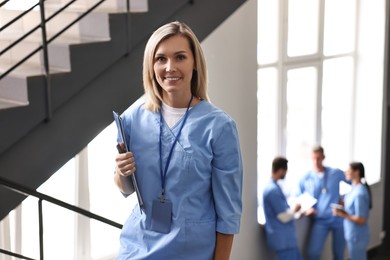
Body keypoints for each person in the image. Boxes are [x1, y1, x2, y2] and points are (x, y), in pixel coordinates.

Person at [113, 21, 243, 260]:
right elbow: (126, 188)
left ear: (194, 64)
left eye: (180, 57)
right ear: (151, 66)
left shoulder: (219, 126)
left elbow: (229, 213)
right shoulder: (132, 119)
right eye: (161, 59)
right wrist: (122, 172)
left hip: (191, 251)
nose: (170, 67)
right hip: (139, 247)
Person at [297, 145, 346, 260]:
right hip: (320, 219)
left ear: (323, 157)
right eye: (313, 158)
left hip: (337, 219)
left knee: (339, 254)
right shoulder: (306, 177)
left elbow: (354, 182)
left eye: (318, 158)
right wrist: (306, 209)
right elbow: (298, 197)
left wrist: (346, 199)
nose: (316, 161)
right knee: (313, 253)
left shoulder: (335, 173)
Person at [263, 157, 302, 260]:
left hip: (286, 239)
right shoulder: (273, 191)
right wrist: (295, 210)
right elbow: (283, 217)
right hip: (283, 240)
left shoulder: (274, 187)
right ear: (281, 170)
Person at [333, 162, 371, 260]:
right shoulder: (354, 189)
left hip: (357, 236)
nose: (345, 173)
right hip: (352, 234)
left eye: (348, 171)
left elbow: (362, 219)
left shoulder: (359, 193)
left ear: (356, 172)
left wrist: (342, 214)